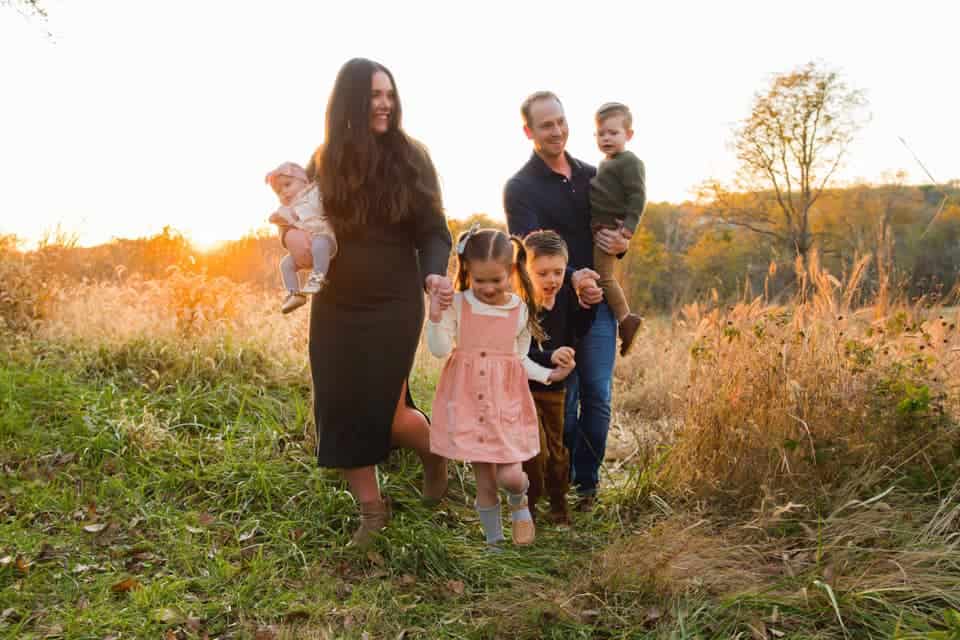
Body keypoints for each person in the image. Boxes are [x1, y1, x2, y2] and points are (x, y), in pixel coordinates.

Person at [304, 58, 453, 547]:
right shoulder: (324, 161)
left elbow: (434, 230)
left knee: (388, 414)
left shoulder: (412, 157)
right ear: (350, 101)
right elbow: (303, 226)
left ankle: (436, 453)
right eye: (373, 95)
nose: (384, 103)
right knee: (339, 405)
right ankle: (373, 512)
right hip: (336, 303)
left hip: (393, 300)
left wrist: (434, 273)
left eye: (388, 93)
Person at [504, 90, 628, 512]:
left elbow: (612, 232)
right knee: (565, 397)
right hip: (553, 308)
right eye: (545, 125)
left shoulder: (595, 175)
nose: (556, 131)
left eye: (560, 121)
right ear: (529, 131)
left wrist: (619, 241)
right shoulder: (520, 187)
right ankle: (559, 479)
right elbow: (528, 250)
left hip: (598, 302)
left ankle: (587, 486)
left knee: (597, 393)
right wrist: (576, 277)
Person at [426, 226, 569, 548]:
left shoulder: (518, 309)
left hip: (505, 404)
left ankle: (520, 500)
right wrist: (434, 316)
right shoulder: (457, 304)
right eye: (480, 281)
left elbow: (518, 358)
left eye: (496, 280)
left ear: (511, 272)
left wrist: (548, 375)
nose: (488, 288)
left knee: (509, 476)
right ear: (467, 273)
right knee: (485, 482)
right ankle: (494, 542)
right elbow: (438, 349)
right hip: (469, 403)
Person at [522, 230, 597, 525]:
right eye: (542, 273)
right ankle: (526, 505)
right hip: (525, 386)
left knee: (557, 446)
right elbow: (519, 351)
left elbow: (576, 331)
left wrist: (588, 308)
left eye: (558, 272)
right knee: (531, 449)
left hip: (557, 388)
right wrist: (549, 356)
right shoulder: (521, 303)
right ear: (525, 271)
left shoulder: (566, 295)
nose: (551, 280)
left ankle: (557, 501)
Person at [590, 102, 646, 355]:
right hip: (598, 227)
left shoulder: (630, 161)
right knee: (599, 274)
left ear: (628, 135)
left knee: (604, 277)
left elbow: (637, 196)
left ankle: (626, 319)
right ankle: (624, 318)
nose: (606, 138)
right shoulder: (605, 163)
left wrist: (627, 230)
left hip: (610, 231)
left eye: (613, 133)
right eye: (601, 134)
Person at [265, 161, 337, 314]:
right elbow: (283, 220)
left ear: (303, 180)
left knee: (319, 244)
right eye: (278, 191)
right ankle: (294, 294)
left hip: (322, 236)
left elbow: (327, 201)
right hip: (304, 248)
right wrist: (278, 218)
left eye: (287, 184)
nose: (284, 192)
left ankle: (318, 277)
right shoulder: (287, 207)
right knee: (285, 264)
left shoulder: (314, 192)